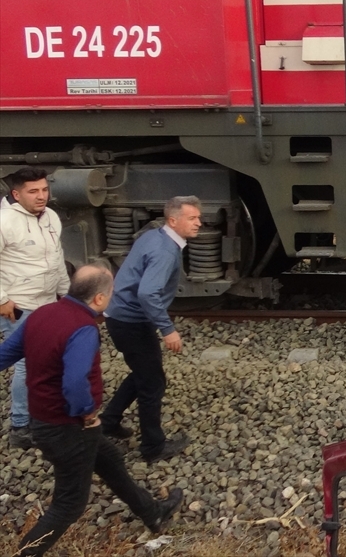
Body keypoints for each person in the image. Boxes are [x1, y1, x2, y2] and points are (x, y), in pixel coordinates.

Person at [0, 263, 183, 556]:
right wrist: (86, 412)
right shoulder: (83, 329)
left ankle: (154, 513)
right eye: (110, 293)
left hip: (43, 419)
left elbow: (6, 353)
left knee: (110, 460)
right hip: (68, 427)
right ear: (98, 299)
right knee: (69, 504)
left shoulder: (44, 313)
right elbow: (74, 382)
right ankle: (26, 553)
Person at [100, 195, 201, 461]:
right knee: (153, 383)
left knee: (143, 373)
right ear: (173, 220)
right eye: (192, 218)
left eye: (198, 217)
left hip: (122, 316)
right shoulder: (165, 251)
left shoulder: (154, 236)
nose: (199, 223)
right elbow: (148, 294)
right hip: (131, 321)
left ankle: (108, 423)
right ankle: (153, 448)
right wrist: (167, 329)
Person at [0, 167, 70, 449]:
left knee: (51, 360)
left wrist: (66, 294)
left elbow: (57, 258)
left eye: (44, 189)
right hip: (19, 305)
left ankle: (46, 414)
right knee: (27, 365)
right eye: (33, 191)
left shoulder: (50, 217)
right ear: (17, 194)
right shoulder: (4, 222)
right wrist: (2, 300)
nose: (42, 196)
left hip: (47, 303)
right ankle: (20, 427)